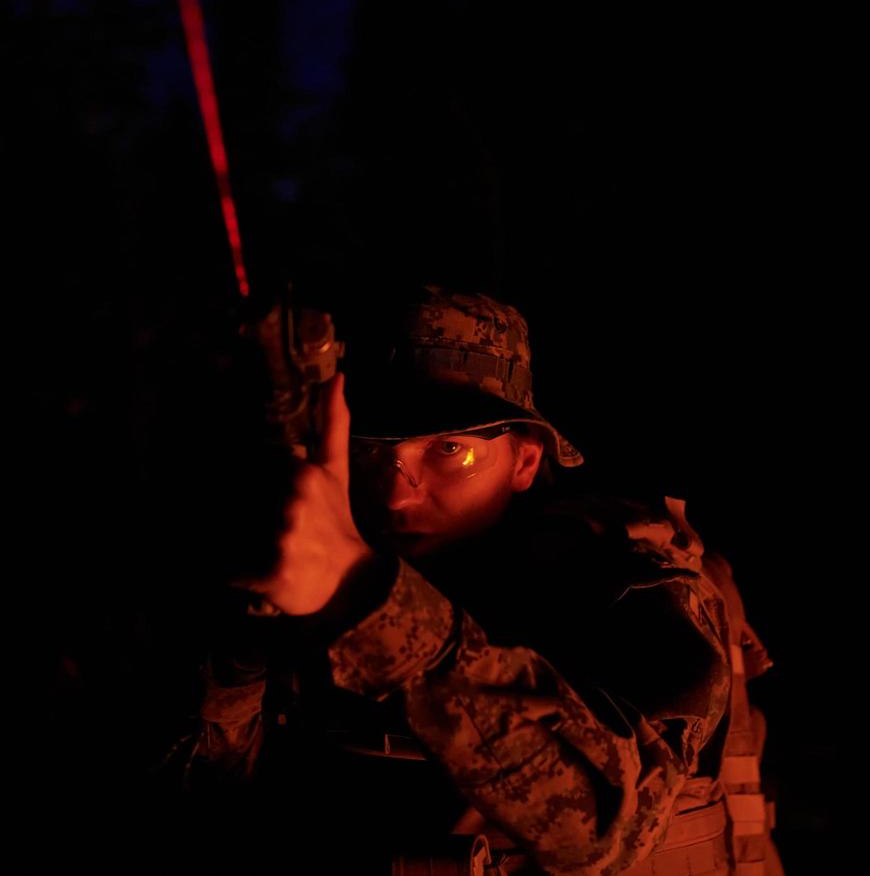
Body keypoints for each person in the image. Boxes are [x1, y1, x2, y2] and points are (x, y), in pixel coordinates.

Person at [178, 285, 782, 875]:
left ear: (524, 460)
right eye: (371, 452)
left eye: (450, 450)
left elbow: (610, 826)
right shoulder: (298, 572)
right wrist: (239, 638)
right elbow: (207, 798)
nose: (396, 494)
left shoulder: (634, 586)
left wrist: (363, 598)